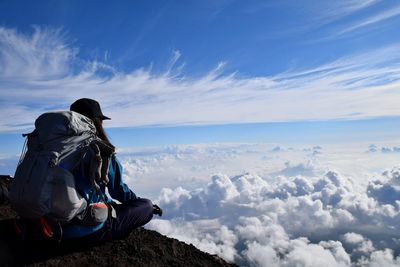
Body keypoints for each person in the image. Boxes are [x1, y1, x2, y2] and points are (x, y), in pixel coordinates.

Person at [61, 98, 162, 242]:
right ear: (96, 122)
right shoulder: (101, 151)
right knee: (145, 206)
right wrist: (145, 205)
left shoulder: (52, 150)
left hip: (52, 224)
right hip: (85, 231)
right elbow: (118, 190)